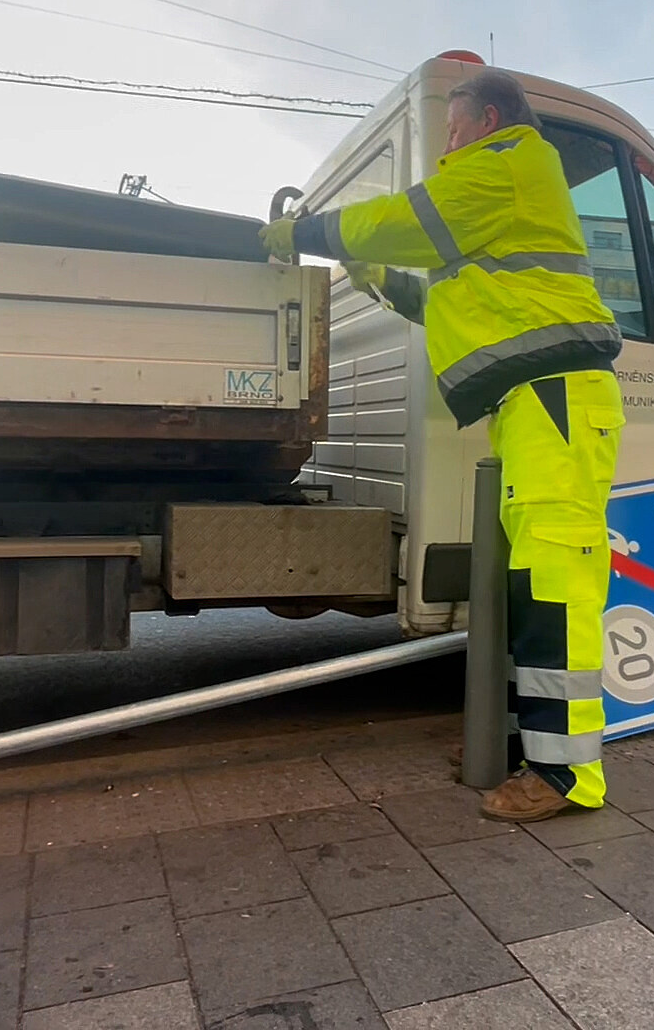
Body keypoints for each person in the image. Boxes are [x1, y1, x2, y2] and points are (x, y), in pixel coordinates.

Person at [258, 68, 624, 822]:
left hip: (554, 401)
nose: (449, 147)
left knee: (554, 590)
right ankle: (527, 747)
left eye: (453, 131)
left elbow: (408, 219)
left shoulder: (511, 160)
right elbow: (448, 300)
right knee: (532, 590)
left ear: (488, 118)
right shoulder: (507, 195)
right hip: (540, 406)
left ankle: (566, 775)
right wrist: (380, 279)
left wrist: (308, 233)